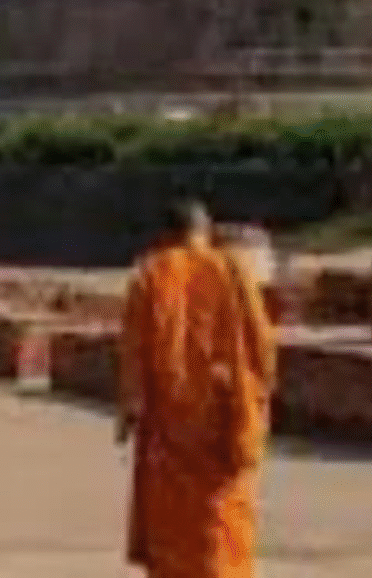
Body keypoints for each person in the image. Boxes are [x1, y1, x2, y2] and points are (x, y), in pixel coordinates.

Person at [116, 199, 277, 578]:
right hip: (227, 424)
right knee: (221, 522)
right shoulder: (233, 270)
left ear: (166, 234)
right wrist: (255, 398)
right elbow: (262, 346)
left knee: (174, 533)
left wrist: (130, 409)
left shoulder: (150, 275)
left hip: (169, 429)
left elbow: (134, 352)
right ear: (205, 231)